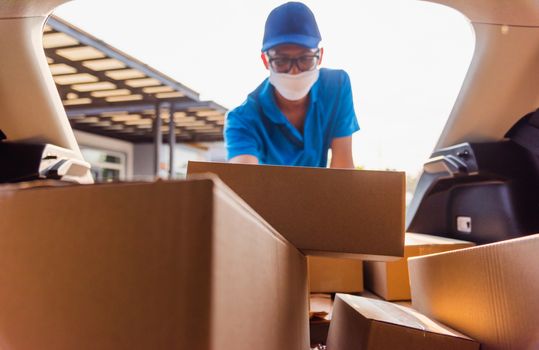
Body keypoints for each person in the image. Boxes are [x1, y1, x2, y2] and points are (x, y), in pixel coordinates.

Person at [224, 2, 359, 168]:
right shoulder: (243, 119)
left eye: (305, 59)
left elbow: (342, 170)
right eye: (281, 61)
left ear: (320, 56)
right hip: (267, 193)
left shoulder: (336, 87)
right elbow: (244, 179)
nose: (294, 72)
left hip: (322, 193)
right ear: (266, 60)